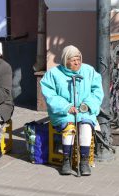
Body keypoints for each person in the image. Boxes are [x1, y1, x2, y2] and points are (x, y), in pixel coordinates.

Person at [40, 45, 104, 176]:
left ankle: (84, 162)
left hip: (84, 109)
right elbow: (50, 94)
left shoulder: (89, 71)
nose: (77, 62)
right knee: (69, 126)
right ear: (65, 60)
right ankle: (66, 161)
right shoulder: (53, 73)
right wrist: (66, 107)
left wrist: (88, 105)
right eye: (73, 60)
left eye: (78, 59)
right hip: (63, 112)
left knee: (86, 125)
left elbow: (97, 91)